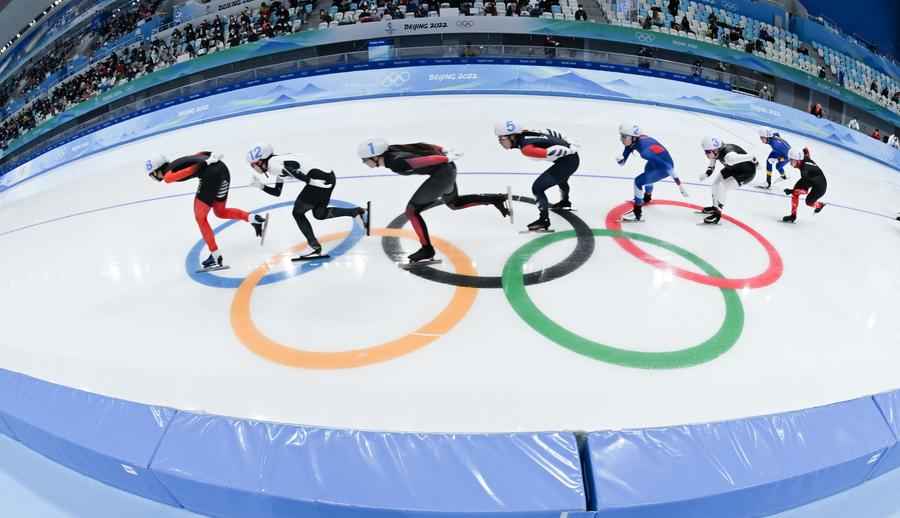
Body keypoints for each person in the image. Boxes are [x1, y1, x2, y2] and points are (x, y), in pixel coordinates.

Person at [358, 137, 510, 263]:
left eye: (365, 160)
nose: (364, 163)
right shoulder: (393, 149)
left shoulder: (395, 163)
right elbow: (422, 146)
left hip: (442, 173)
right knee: (454, 203)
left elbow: (426, 160)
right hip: (447, 169)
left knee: (411, 211)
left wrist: (444, 157)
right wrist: (443, 150)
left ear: (376, 157)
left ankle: (426, 249)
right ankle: (496, 199)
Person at [146, 152, 268, 271]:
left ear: (156, 170)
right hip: (222, 169)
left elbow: (190, 170)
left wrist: (207, 162)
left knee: (200, 218)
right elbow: (198, 154)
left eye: (152, 175)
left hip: (210, 175)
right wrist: (210, 154)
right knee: (220, 211)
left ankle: (215, 255)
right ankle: (253, 218)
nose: (153, 178)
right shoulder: (176, 162)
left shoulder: (167, 176)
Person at [246, 143, 368, 260]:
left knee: (297, 213)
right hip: (328, 176)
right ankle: (357, 212)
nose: (253, 168)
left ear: (260, 161)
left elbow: (293, 172)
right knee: (320, 214)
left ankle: (313, 245)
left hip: (319, 181)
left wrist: (311, 182)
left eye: (253, 165)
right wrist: (260, 186)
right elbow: (277, 192)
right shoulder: (277, 161)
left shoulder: (273, 166)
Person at [495, 120, 580, 231]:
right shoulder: (525, 132)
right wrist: (568, 142)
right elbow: (549, 132)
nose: (500, 141)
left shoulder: (526, 148)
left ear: (512, 136)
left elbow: (551, 152)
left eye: (502, 138)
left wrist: (569, 149)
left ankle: (544, 220)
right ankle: (565, 202)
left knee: (537, 188)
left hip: (568, 161)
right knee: (561, 179)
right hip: (568, 159)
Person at [616, 122, 689, 222]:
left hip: (664, 168)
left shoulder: (645, 151)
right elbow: (622, 162)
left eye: (624, 137)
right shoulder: (631, 142)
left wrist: (680, 185)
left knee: (638, 182)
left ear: (633, 138)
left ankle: (637, 212)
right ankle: (647, 197)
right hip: (654, 162)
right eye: (621, 136)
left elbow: (668, 166)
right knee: (647, 174)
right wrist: (620, 160)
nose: (621, 139)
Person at [698, 136, 758, 225]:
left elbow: (751, 156)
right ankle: (715, 208)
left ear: (715, 150)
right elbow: (711, 166)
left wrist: (758, 165)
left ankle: (717, 215)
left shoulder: (729, 157)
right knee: (715, 185)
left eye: (707, 151)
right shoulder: (716, 152)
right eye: (705, 151)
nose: (705, 154)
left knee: (722, 187)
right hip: (732, 168)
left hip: (746, 172)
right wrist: (706, 174)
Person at [782, 147, 825, 223]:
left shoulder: (804, 171)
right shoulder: (803, 158)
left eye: (791, 160)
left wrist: (791, 191)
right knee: (795, 193)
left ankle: (820, 205)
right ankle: (793, 216)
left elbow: (804, 191)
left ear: (798, 160)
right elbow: (806, 150)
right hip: (811, 178)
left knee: (809, 202)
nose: (790, 162)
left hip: (820, 185)